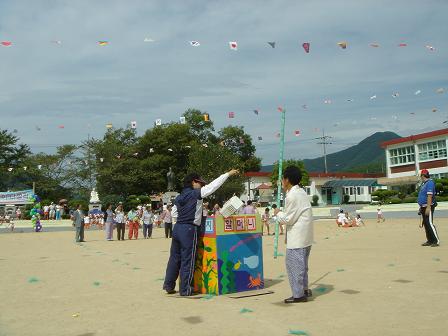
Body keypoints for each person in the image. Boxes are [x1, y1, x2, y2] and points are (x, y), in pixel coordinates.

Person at [163, 169, 239, 296]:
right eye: (200, 183)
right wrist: (227, 174)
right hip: (189, 229)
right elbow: (212, 186)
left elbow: (174, 213)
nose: (202, 185)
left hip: (177, 228)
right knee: (188, 259)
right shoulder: (195, 194)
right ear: (194, 182)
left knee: (174, 258)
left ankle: (168, 285)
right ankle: (186, 289)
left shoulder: (179, 196)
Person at [273, 166, 313, 304]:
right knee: (302, 266)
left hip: (298, 238)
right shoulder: (300, 192)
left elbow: (288, 219)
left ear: (287, 180)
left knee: (294, 266)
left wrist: (277, 213)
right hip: (305, 237)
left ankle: (298, 295)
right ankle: (304, 289)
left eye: (283, 179)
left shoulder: (292, 195)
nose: (282, 182)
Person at [418, 169, 440, 247]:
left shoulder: (430, 183)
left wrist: (428, 207)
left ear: (423, 175)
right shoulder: (424, 184)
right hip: (423, 206)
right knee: (426, 224)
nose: (420, 177)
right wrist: (421, 207)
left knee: (429, 223)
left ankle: (436, 241)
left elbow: (429, 195)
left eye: (420, 175)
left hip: (428, 206)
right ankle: (430, 240)